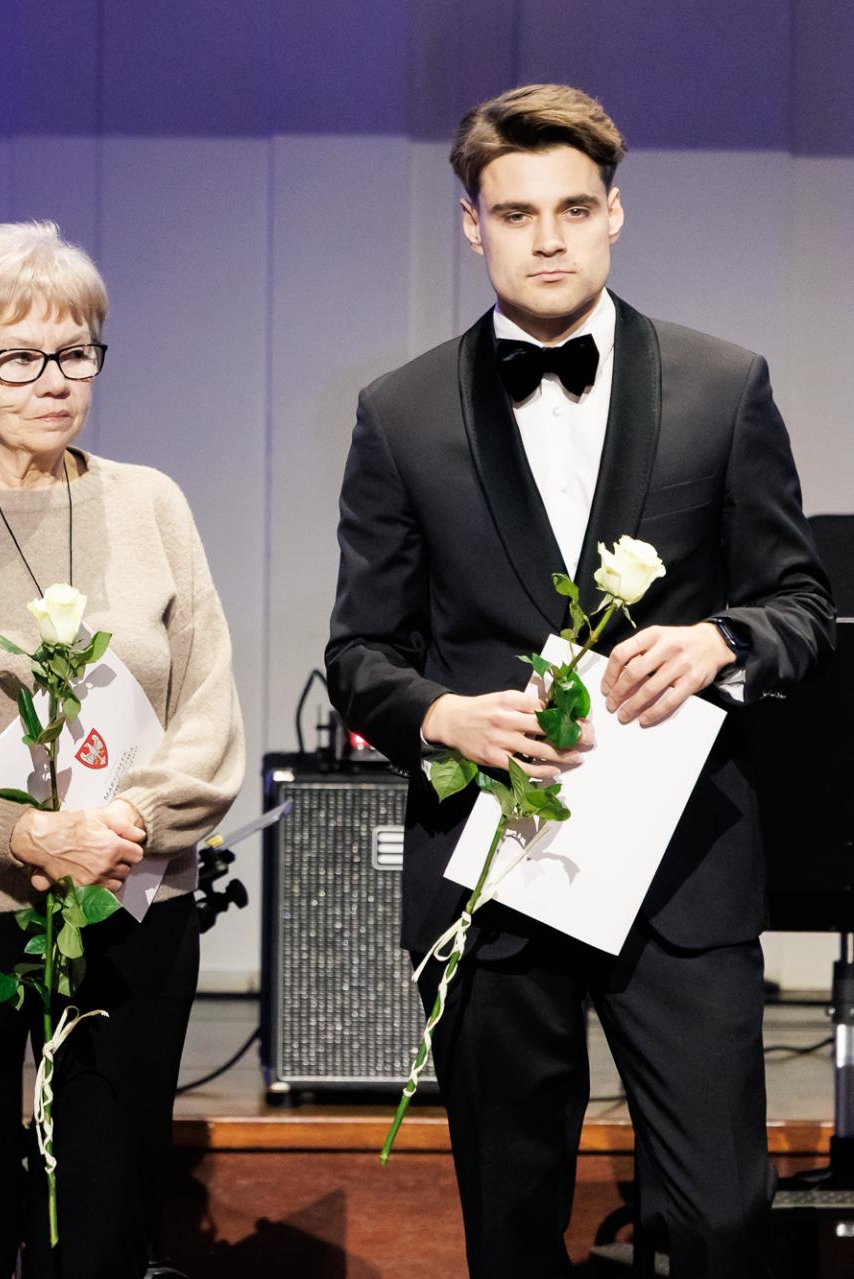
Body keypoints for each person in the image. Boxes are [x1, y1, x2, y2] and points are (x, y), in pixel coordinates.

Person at [326, 84, 834, 1278]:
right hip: (498, 869)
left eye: (572, 208)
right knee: (511, 1229)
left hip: (683, 872)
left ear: (614, 213)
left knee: (719, 1217)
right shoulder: (401, 414)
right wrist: (443, 714)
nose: (547, 238)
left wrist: (721, 641)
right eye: (516, 213)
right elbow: (359, 655)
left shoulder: (722, 384)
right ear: (473, 226)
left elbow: (802, 608)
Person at [0, 220, 245, 1278]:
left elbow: (209, 714)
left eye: (76, 351)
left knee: (103, 1228)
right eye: (17, 357)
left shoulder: (152, 503)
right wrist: (26, 835)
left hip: (127, 900)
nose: (55, 379)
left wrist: (126, 823)